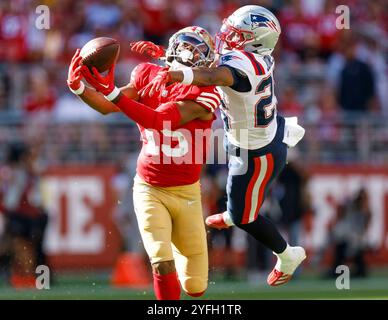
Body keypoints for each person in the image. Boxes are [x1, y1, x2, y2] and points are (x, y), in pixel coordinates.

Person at [132, 5, 306, 286]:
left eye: (238, 34)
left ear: (255, 40)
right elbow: (205, 63)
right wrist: (168, 57)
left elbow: (213, 77)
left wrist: (174, 74)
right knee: (237, 198)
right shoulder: (251, 57)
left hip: (257, 152)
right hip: (247, 139)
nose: (228, 35)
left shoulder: (244, 65)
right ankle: (235, 211)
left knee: (246, 218)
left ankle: (287, 254)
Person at [67, 26, 221, 299]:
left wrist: (114, 94)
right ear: (174, 49)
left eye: (200, 51)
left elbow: (158, 121)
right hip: (149, 187)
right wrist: (79, 87)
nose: (194, 55)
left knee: (196, 287)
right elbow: (106, 106)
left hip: (187, 193)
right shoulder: (147, 74)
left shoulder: (207, 91)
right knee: (161, 261)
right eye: (189, 48)